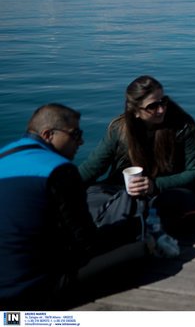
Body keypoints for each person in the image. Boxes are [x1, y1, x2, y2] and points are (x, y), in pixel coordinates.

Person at [0, 105, 143, 309]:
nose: (81, 141)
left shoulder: (3, 156)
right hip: (29, 291)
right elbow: (87, 242)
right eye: (75, 134)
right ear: (48, 134)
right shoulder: (59, 170)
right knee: (137, 246)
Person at [80, 76, 195, 235]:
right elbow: (93, 167)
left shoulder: (182, 126)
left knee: (162, 205)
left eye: (163, 101)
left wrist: (154, 185)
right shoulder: (120, 129)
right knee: (89, 196)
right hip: (134, 191)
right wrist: (62, 186)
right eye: (152, 106)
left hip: (180, 189)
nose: (161, 109)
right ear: (135, 111)